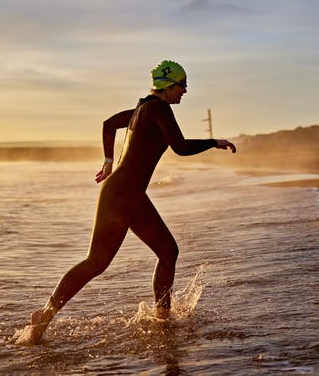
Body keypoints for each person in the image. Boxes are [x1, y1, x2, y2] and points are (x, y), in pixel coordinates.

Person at [26, 60, 236, 343]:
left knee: (167, 251)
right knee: (97, 262)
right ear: (167, 85)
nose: (185, 91)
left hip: (132, 195)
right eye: (182, 85)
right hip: (122, 195)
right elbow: (180, 147)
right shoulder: (157, 108)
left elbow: (109, 125)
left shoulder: (142, 109)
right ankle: (46, 314)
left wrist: (109, 162)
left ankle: (163, 319)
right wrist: (214, 142)